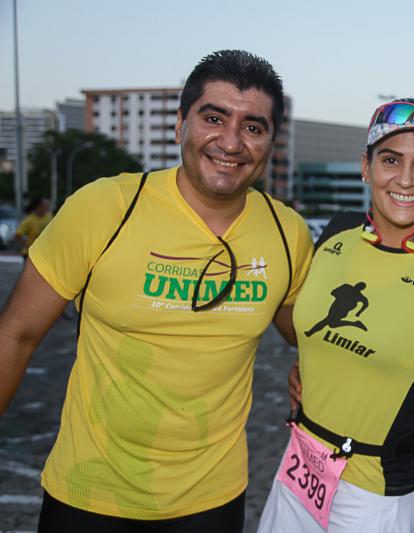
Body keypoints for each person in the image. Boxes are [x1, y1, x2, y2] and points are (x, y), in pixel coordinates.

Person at [0, 50, 312, 532]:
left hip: (211, 500)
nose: (231, 142)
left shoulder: (288, 232)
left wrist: (315, 363)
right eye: (214, 118)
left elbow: (307, 333)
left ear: (271, 142)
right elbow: (16, 334)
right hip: (89, 492)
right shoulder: (104, 207)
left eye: (253, 127)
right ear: (181, 124)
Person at [259, 98, 414, 533]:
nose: (406, 178)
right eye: (390, 160)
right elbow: (307, 331)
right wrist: (314, 368)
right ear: (366, 167)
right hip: (300, 468)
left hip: (378, 493)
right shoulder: (338, 230)